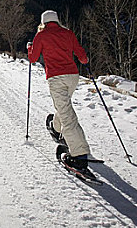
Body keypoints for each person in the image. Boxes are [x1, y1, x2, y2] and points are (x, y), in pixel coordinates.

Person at [27, 10, 91, 172]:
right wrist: (84, 61)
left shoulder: (41, 35)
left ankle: (79, 156)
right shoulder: (68, 33)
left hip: (57, 78)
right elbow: (82, 56)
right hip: (72, 77)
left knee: (67, 116)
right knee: (64, 107)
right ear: (57, 20)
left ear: (43, 22)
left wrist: (30, 48)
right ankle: (56, 128)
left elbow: (33, 58)